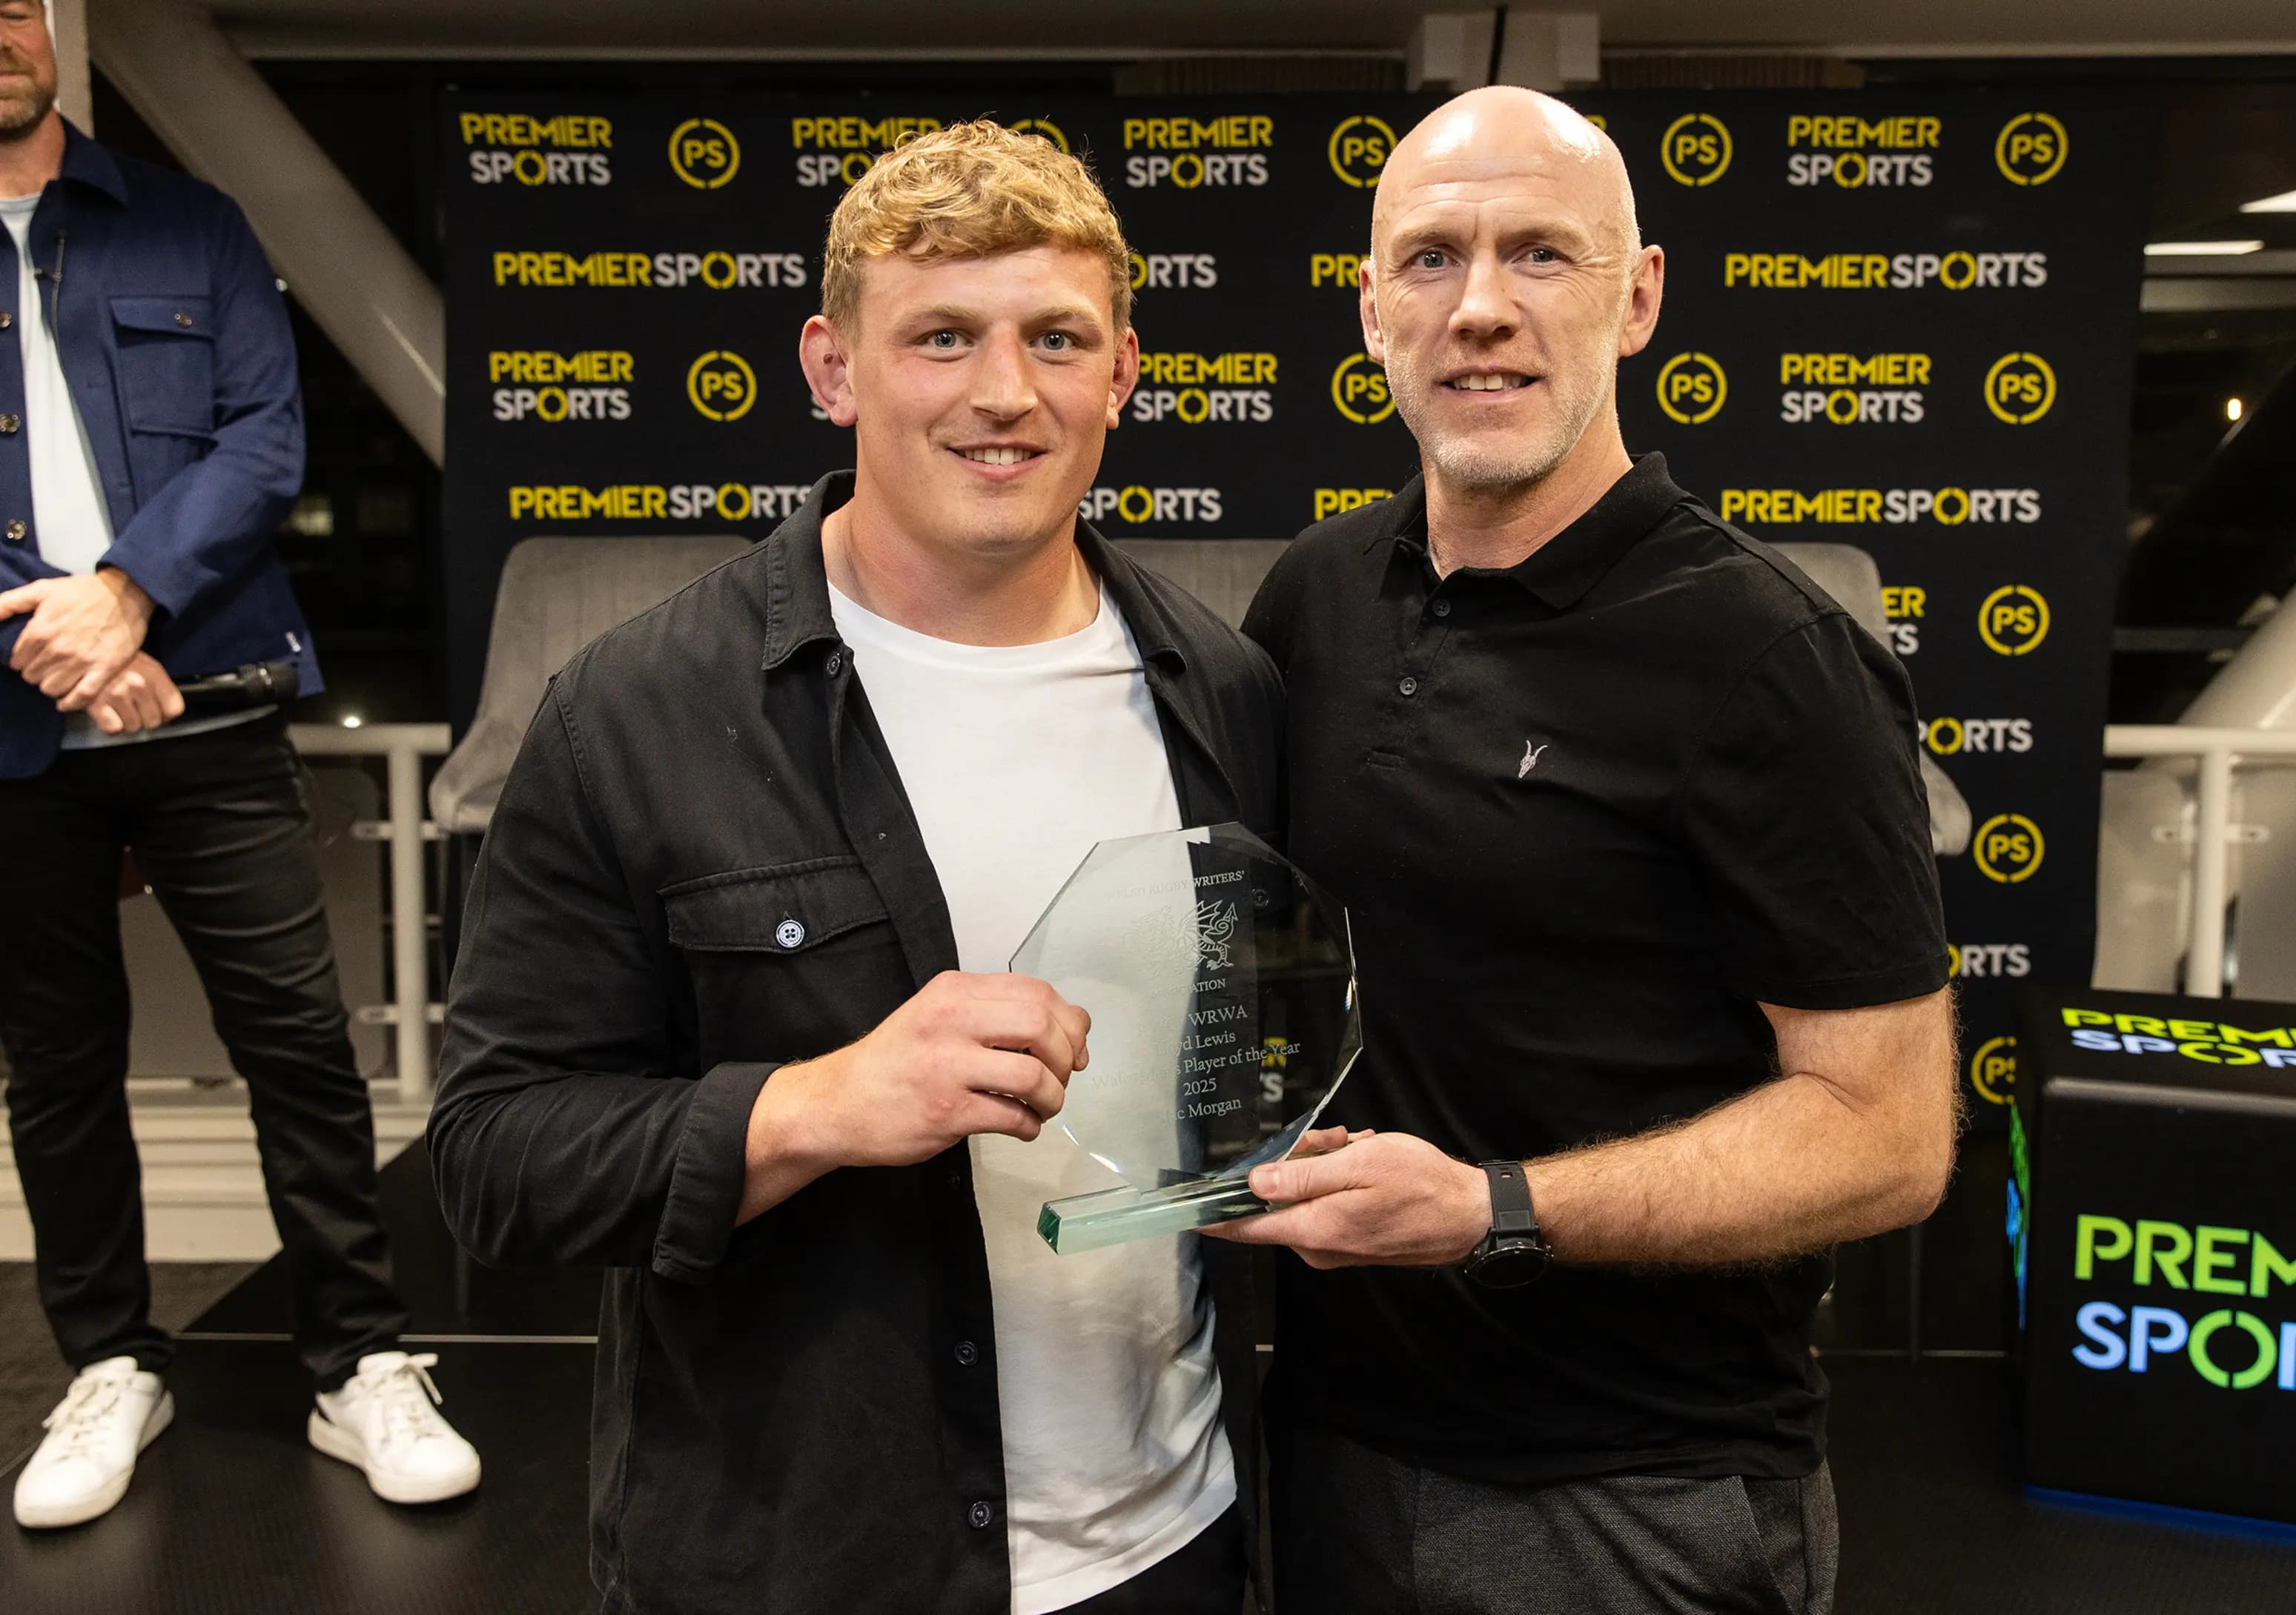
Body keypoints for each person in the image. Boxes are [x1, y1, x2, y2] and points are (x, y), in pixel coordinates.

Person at [429, 122, 1279, 1614]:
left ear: (1124, 373)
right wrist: (817, 1104)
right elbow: (496, 1163)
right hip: (805, 1562)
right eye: (941, 336)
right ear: (833, 369)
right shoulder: (634, 712)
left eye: (1056, 338)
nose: (1004, 392)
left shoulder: (1222, 689)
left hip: (1177, 1537)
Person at [1217, 87, 1959, 1615]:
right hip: (1338, 1438)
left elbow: (1889, 1138)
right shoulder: (1320, 594)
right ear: (1370, 313)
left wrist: (1493, 1208)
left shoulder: (1774, 658)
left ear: (1641, 298)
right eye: (1431, 260)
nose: (1481, 308)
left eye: (1541, 254)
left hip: (1634, 1493)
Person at [0, 1, 477, 1529]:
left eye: (17, 2)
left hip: (207, 703)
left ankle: (359, 1361)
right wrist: (61, 639)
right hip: (13, 731)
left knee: (301, 1052)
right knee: (59, 1071)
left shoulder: (190, 226)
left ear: (52, 30)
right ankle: (109, 1363)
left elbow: (266, 440)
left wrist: (122, 598)